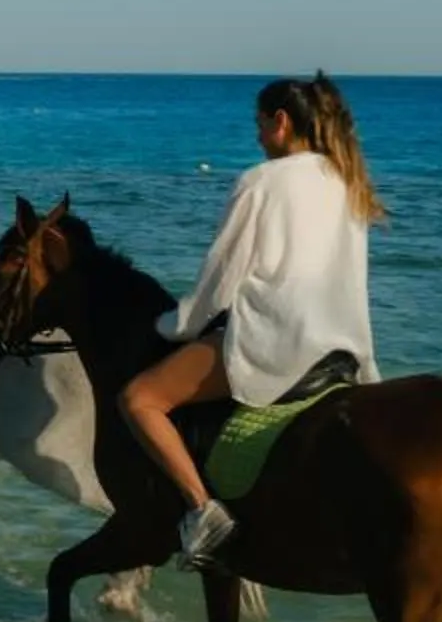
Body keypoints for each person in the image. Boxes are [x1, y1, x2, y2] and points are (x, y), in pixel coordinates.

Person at [124, 72, 384, 569]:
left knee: (140, 399)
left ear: (281, 122)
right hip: (345, 350)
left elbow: (219, 284)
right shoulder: (347, 182)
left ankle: (203, 513)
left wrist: (173, 326)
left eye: (260, 124)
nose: (257, 136)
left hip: (280, 345)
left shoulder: (261, 181)